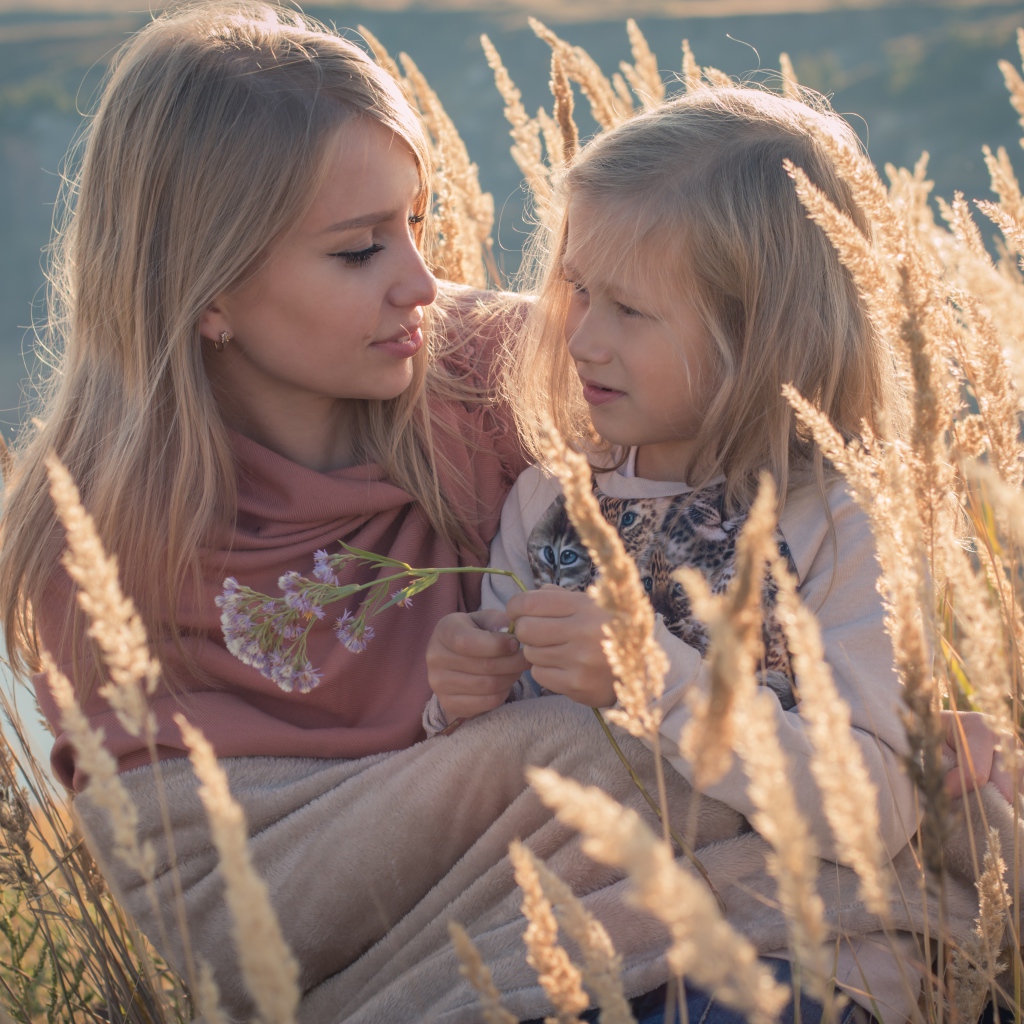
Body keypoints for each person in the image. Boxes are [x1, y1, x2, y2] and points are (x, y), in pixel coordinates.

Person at [0, 5, 1013, 1022]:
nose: (419, 282)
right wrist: (493, 722)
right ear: (205, 288)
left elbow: (771, 464)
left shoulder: (506, 377)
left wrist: (874, 729)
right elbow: (219, 903)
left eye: (418, 222)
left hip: (699, 935)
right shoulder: (95, 544)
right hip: (492, 955)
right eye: (358, 251)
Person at [423, 88, 1022, 1023]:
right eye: (577, 289)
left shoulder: (841, 524)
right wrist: (453, 700)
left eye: (628, 308)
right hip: (595, 941)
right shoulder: (551, 503)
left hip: (797, 952)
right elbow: (505, 781)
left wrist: (648, 672)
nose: (582, 334)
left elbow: (869, 811)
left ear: (761, 333)